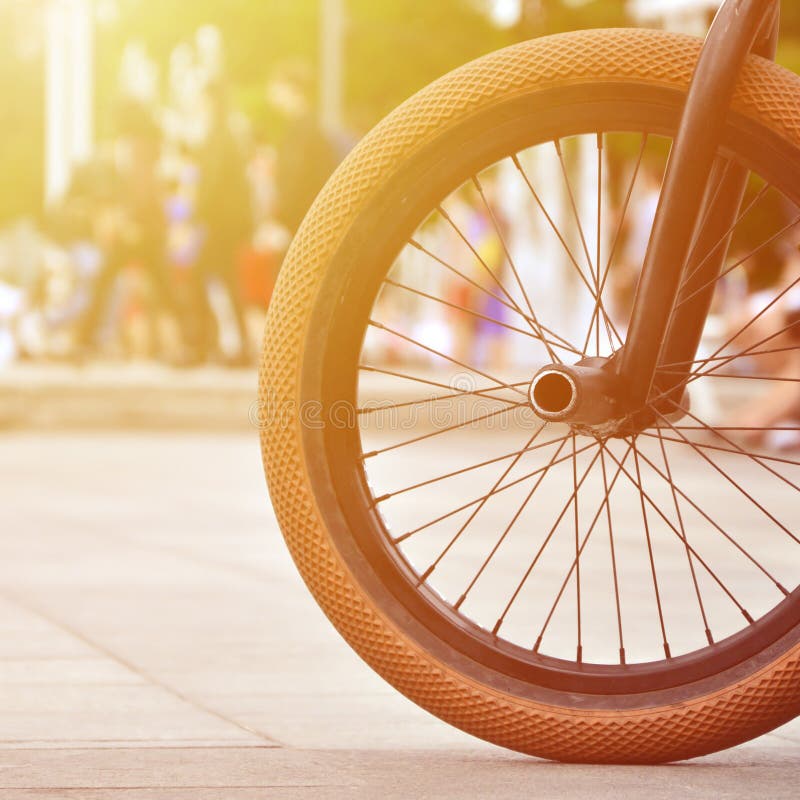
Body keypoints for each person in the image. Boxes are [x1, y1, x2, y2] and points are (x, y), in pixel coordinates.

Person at [192, 81, 253, 364]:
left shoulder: (219, 136)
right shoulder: (227, 135)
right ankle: (232, 345)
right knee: (226, 279)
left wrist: (197, 212)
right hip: (227, 220)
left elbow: (213, 181)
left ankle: (202, 344)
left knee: (200, 275)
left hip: (219, 220)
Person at [269, 64, 340, 237]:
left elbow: (295, 179)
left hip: (302, 223)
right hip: (305, 220)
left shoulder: (302, 132)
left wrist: (281, 217)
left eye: (277, 87)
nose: (272, 94)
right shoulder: (308, 127)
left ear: (294, 89)